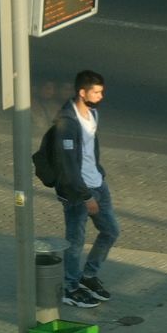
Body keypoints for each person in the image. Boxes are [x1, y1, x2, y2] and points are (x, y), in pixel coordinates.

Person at [53, 70, 119, 308]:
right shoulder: (67, 122)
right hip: (77, 192)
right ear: (82, 92)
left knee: (111, 231)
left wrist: (98, 175)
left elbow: (91, 149)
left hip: (98, 183)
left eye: (101, 91)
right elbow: (68, 165)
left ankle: (88, 276)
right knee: (75, 240)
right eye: (96, 92)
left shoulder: (93, 113)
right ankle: (70, 288)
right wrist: (85, 196)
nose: (101, 96)